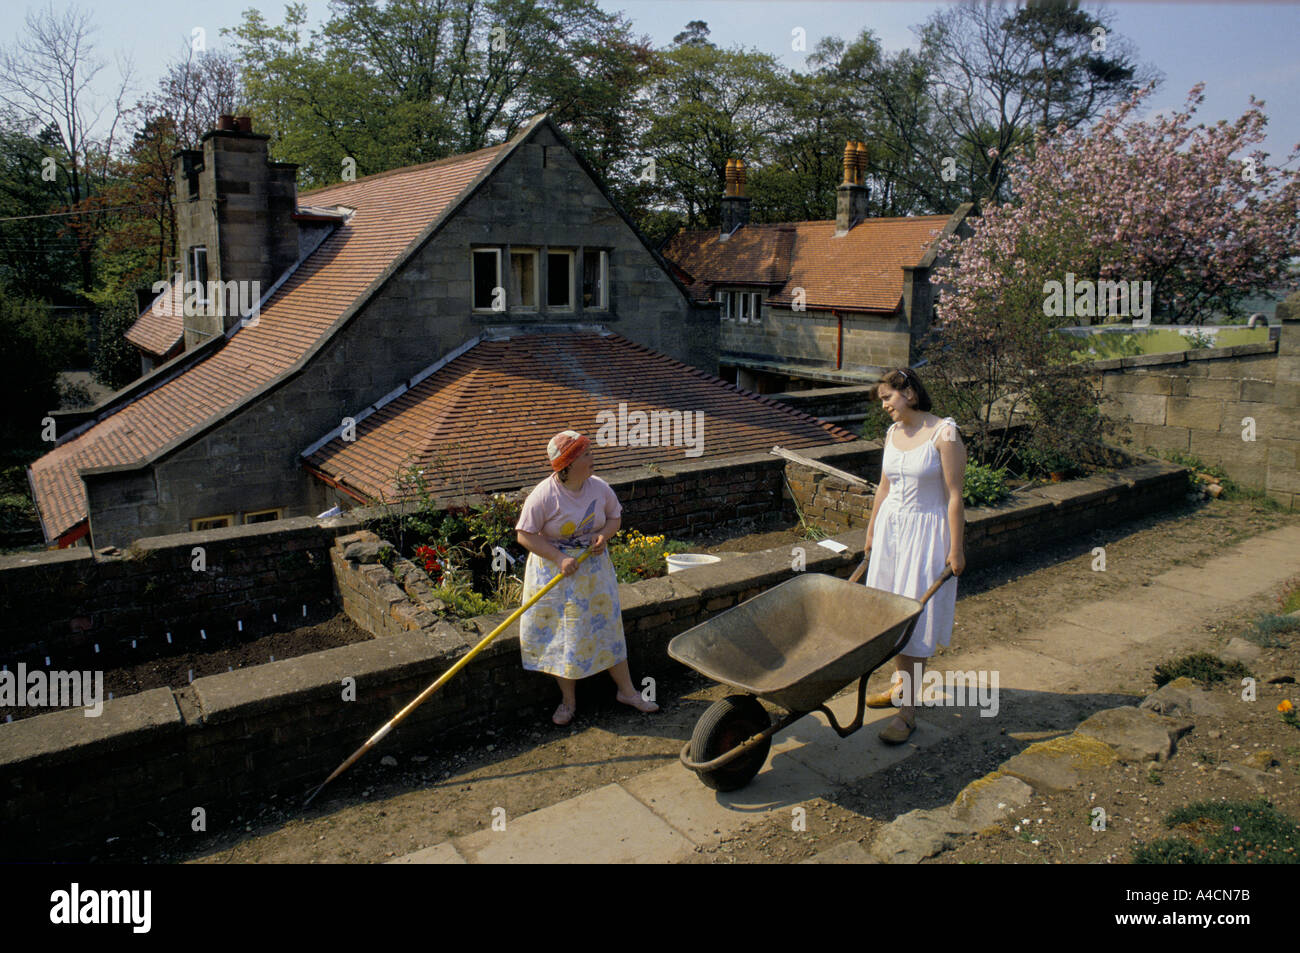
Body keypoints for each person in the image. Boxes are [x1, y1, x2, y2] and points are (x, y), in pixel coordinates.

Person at [515, 430, 660, 726]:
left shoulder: (599, 488)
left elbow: (614, 518)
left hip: (593, 574)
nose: (593, 459)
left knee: (607, 628)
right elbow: (524, 535)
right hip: (557, 575)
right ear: (567, 464)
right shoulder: (544, 495)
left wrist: (603, 536)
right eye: (587, 455)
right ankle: (568, 703)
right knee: (563, 635)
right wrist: (559, 558)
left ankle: (628, 692)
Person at [857, 367, 966, 744]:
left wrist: (956, 548)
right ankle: (900, 684)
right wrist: (871, 532)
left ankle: (908, 713)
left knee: (914, 621)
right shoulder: (892, 433)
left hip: (925, 536)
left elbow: (954, 495)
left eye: (888, 397)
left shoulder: (944, 433)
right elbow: (883, 488)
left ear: (910, 394)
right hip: (891, 534)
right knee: (888, 614)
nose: (884, 405)